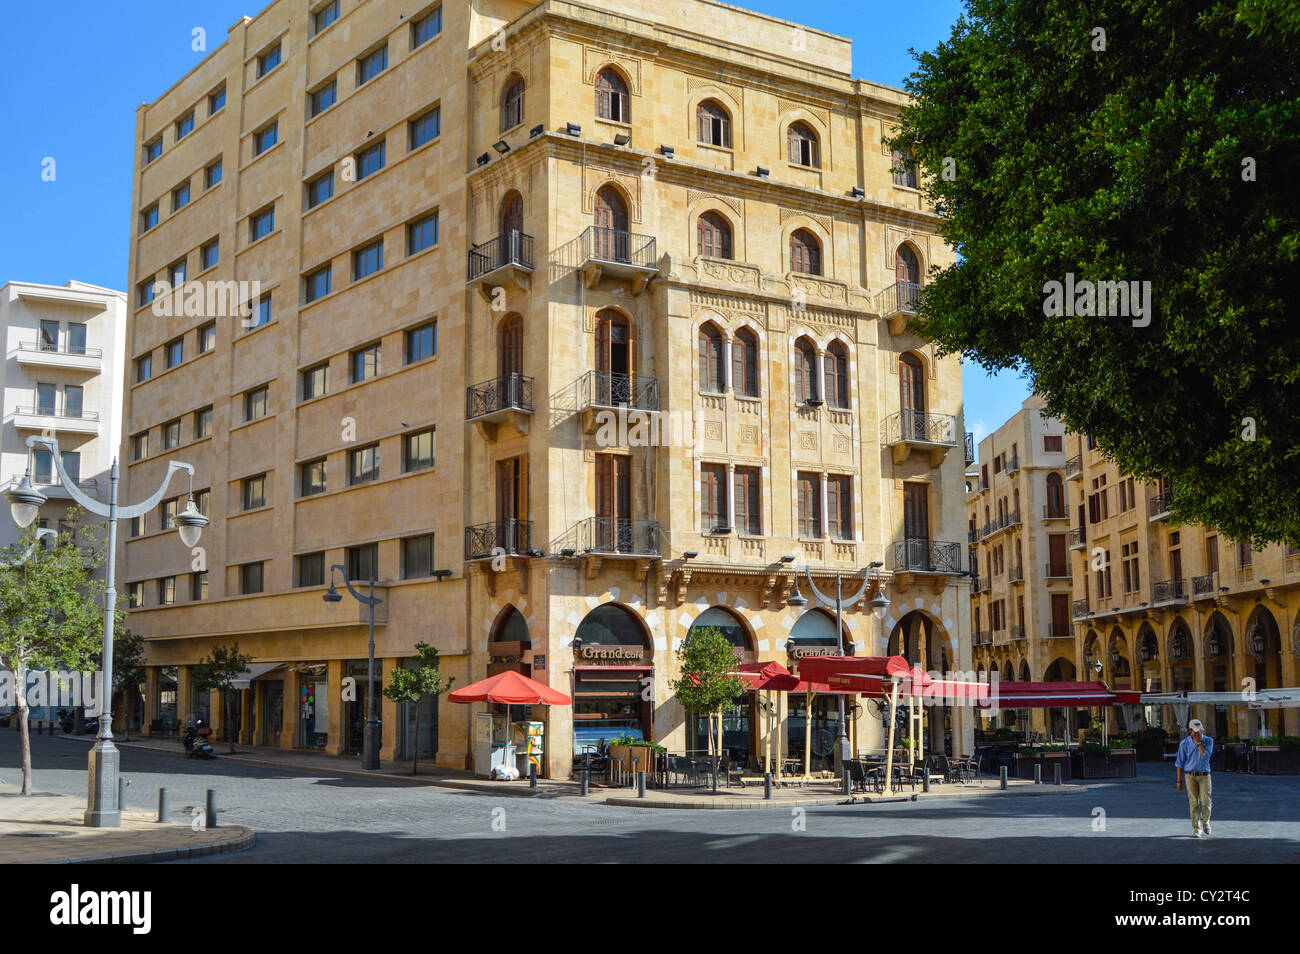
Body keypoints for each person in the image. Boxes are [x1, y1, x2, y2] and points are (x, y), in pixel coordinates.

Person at [1175, 718, 1214, 837]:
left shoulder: (1208, 741)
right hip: (1190, 775)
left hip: (1204, 775)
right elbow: (1180, 762)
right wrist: (1179, 780)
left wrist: (1198, 743)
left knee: (1206, 801)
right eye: (1195, 732)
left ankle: (1205, 821)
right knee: (1193, 803)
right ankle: (1197, 829)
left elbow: (1206, 756)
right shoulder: (1184, 743)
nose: (1198, 734)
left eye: (1200, 731)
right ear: (1190, 730)